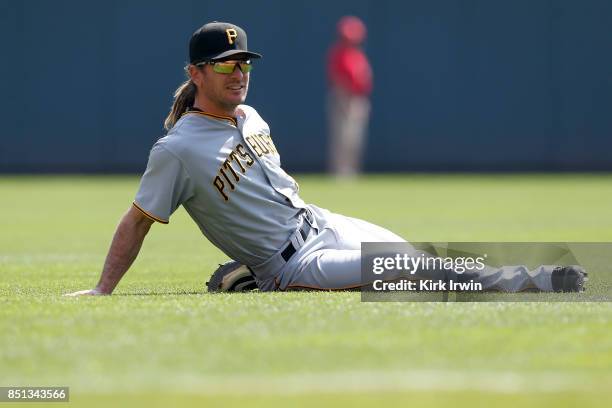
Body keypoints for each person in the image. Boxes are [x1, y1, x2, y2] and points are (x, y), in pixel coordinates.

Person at [65, 21, 585, 296]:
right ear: (197, 72)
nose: (239, 72)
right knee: (413, 272)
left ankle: (241, 276)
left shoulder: (251, 117)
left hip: (323, 225)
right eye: (225, 65)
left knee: (413, 253)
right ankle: (535, 278)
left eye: (244, 62)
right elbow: (137, 221)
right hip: (294, 264)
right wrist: (102, 289)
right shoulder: (177, 150)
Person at [327, 16, 372, 178]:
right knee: (342, 138)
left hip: (358, 99)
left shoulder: (357, 54)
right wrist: (345, 100)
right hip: (344, 98)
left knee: (355, 139)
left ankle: (352, 171)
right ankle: (341, 172)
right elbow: (337, 78)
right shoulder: (339, 53)